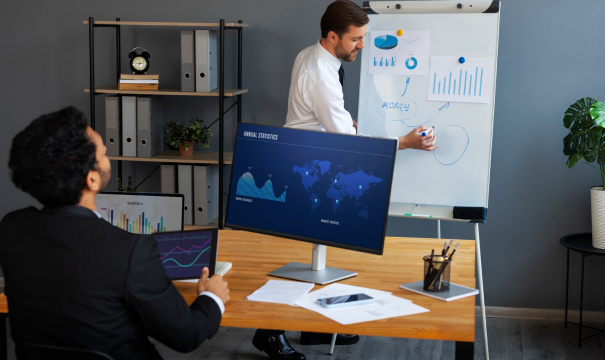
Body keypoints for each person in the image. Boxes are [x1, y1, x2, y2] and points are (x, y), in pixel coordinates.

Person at [252, 1, 438, 360]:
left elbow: (326, 118)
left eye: (364, 38)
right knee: (306, 254)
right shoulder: (322, 75)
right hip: (312, 167)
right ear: (333, 36)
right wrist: (406, 142)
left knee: (318, 249)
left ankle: (312, 327)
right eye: (356, 39)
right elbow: (347, 144)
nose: (362, 45)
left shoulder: (310, 53)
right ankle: (268, 332)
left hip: (311, 158)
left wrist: (337, 121)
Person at [0, 107, 230, 360]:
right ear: (92, 180)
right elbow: (186, 335)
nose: (107, 150)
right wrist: (212, 297)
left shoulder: (12, 229)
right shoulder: (129, 250)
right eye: (101, 150)